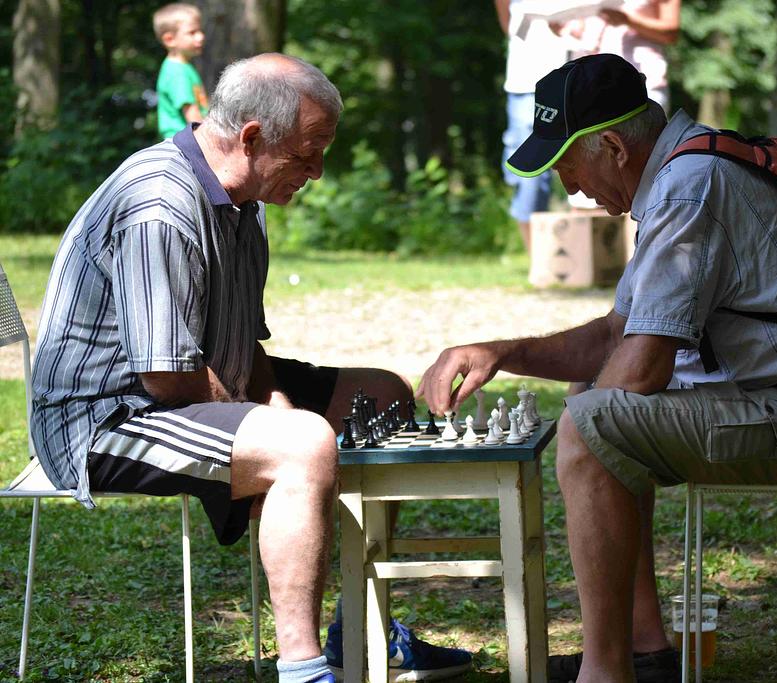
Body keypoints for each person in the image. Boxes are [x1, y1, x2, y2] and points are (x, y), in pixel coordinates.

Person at [418, 53, 777, 683]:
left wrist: (588, 413)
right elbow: (616, 335)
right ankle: (645, 651)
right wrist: (502, 354)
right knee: (592, 400)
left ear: (611, 147)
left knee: (590, 427)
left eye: (567, 166)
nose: (569, 189)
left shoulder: (689, 185)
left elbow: (640, 369)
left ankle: (607, 673)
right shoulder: (683, 170)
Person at [31, 53, 469, 683]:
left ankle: (358, 631)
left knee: (384, 395)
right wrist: (276, 423)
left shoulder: (245, 202)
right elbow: (167, 378)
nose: (318, 171)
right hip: (104, 416)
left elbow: (242, 344)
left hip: (185, 382)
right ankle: (303, 670)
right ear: (253, 137)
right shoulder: (159, 204)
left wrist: (273, 404)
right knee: (302, 444)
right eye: (309, 153)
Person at [562, 0, 679, 211]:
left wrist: (629, 20)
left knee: (642, 183)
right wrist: (567, 27)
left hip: (641, 87)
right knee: (586, 194)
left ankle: (647, 230)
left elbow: (671, 31)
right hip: (589, 91)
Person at [495, 0, 568, 251]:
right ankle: (538, 259)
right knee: (529, 172)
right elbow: (509, 25)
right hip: (525, 83)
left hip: (574, 77)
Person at [153, 3, 208, 140]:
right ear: (170, 40)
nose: (201, 36)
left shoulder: (182, 66)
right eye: (192, 32)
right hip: (185, 143)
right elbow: (192, 116)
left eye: (200, 31)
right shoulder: (177, 72)